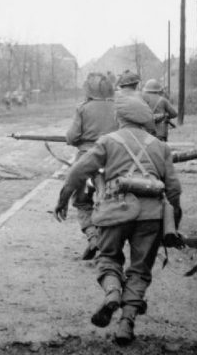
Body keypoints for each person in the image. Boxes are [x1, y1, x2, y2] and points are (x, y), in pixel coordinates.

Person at [54, 94, 182, 346]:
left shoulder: (107, 142)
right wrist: (172, 222)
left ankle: (112, 293)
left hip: (115, 212)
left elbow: (78, 172)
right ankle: (127, 323)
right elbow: (175, 190)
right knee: (140, 270)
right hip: (151, 216)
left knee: (109, 258)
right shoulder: (161, 146)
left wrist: (62, 198)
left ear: (119, 118)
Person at [64, 72, 118, 260]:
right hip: (113, 160)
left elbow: (72, 136)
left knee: (81, 200)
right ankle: (109, 240)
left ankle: (93, 236)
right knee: (114, 199)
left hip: (87, 160)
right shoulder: (118, 107)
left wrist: (72, 139)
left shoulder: (83, 109)